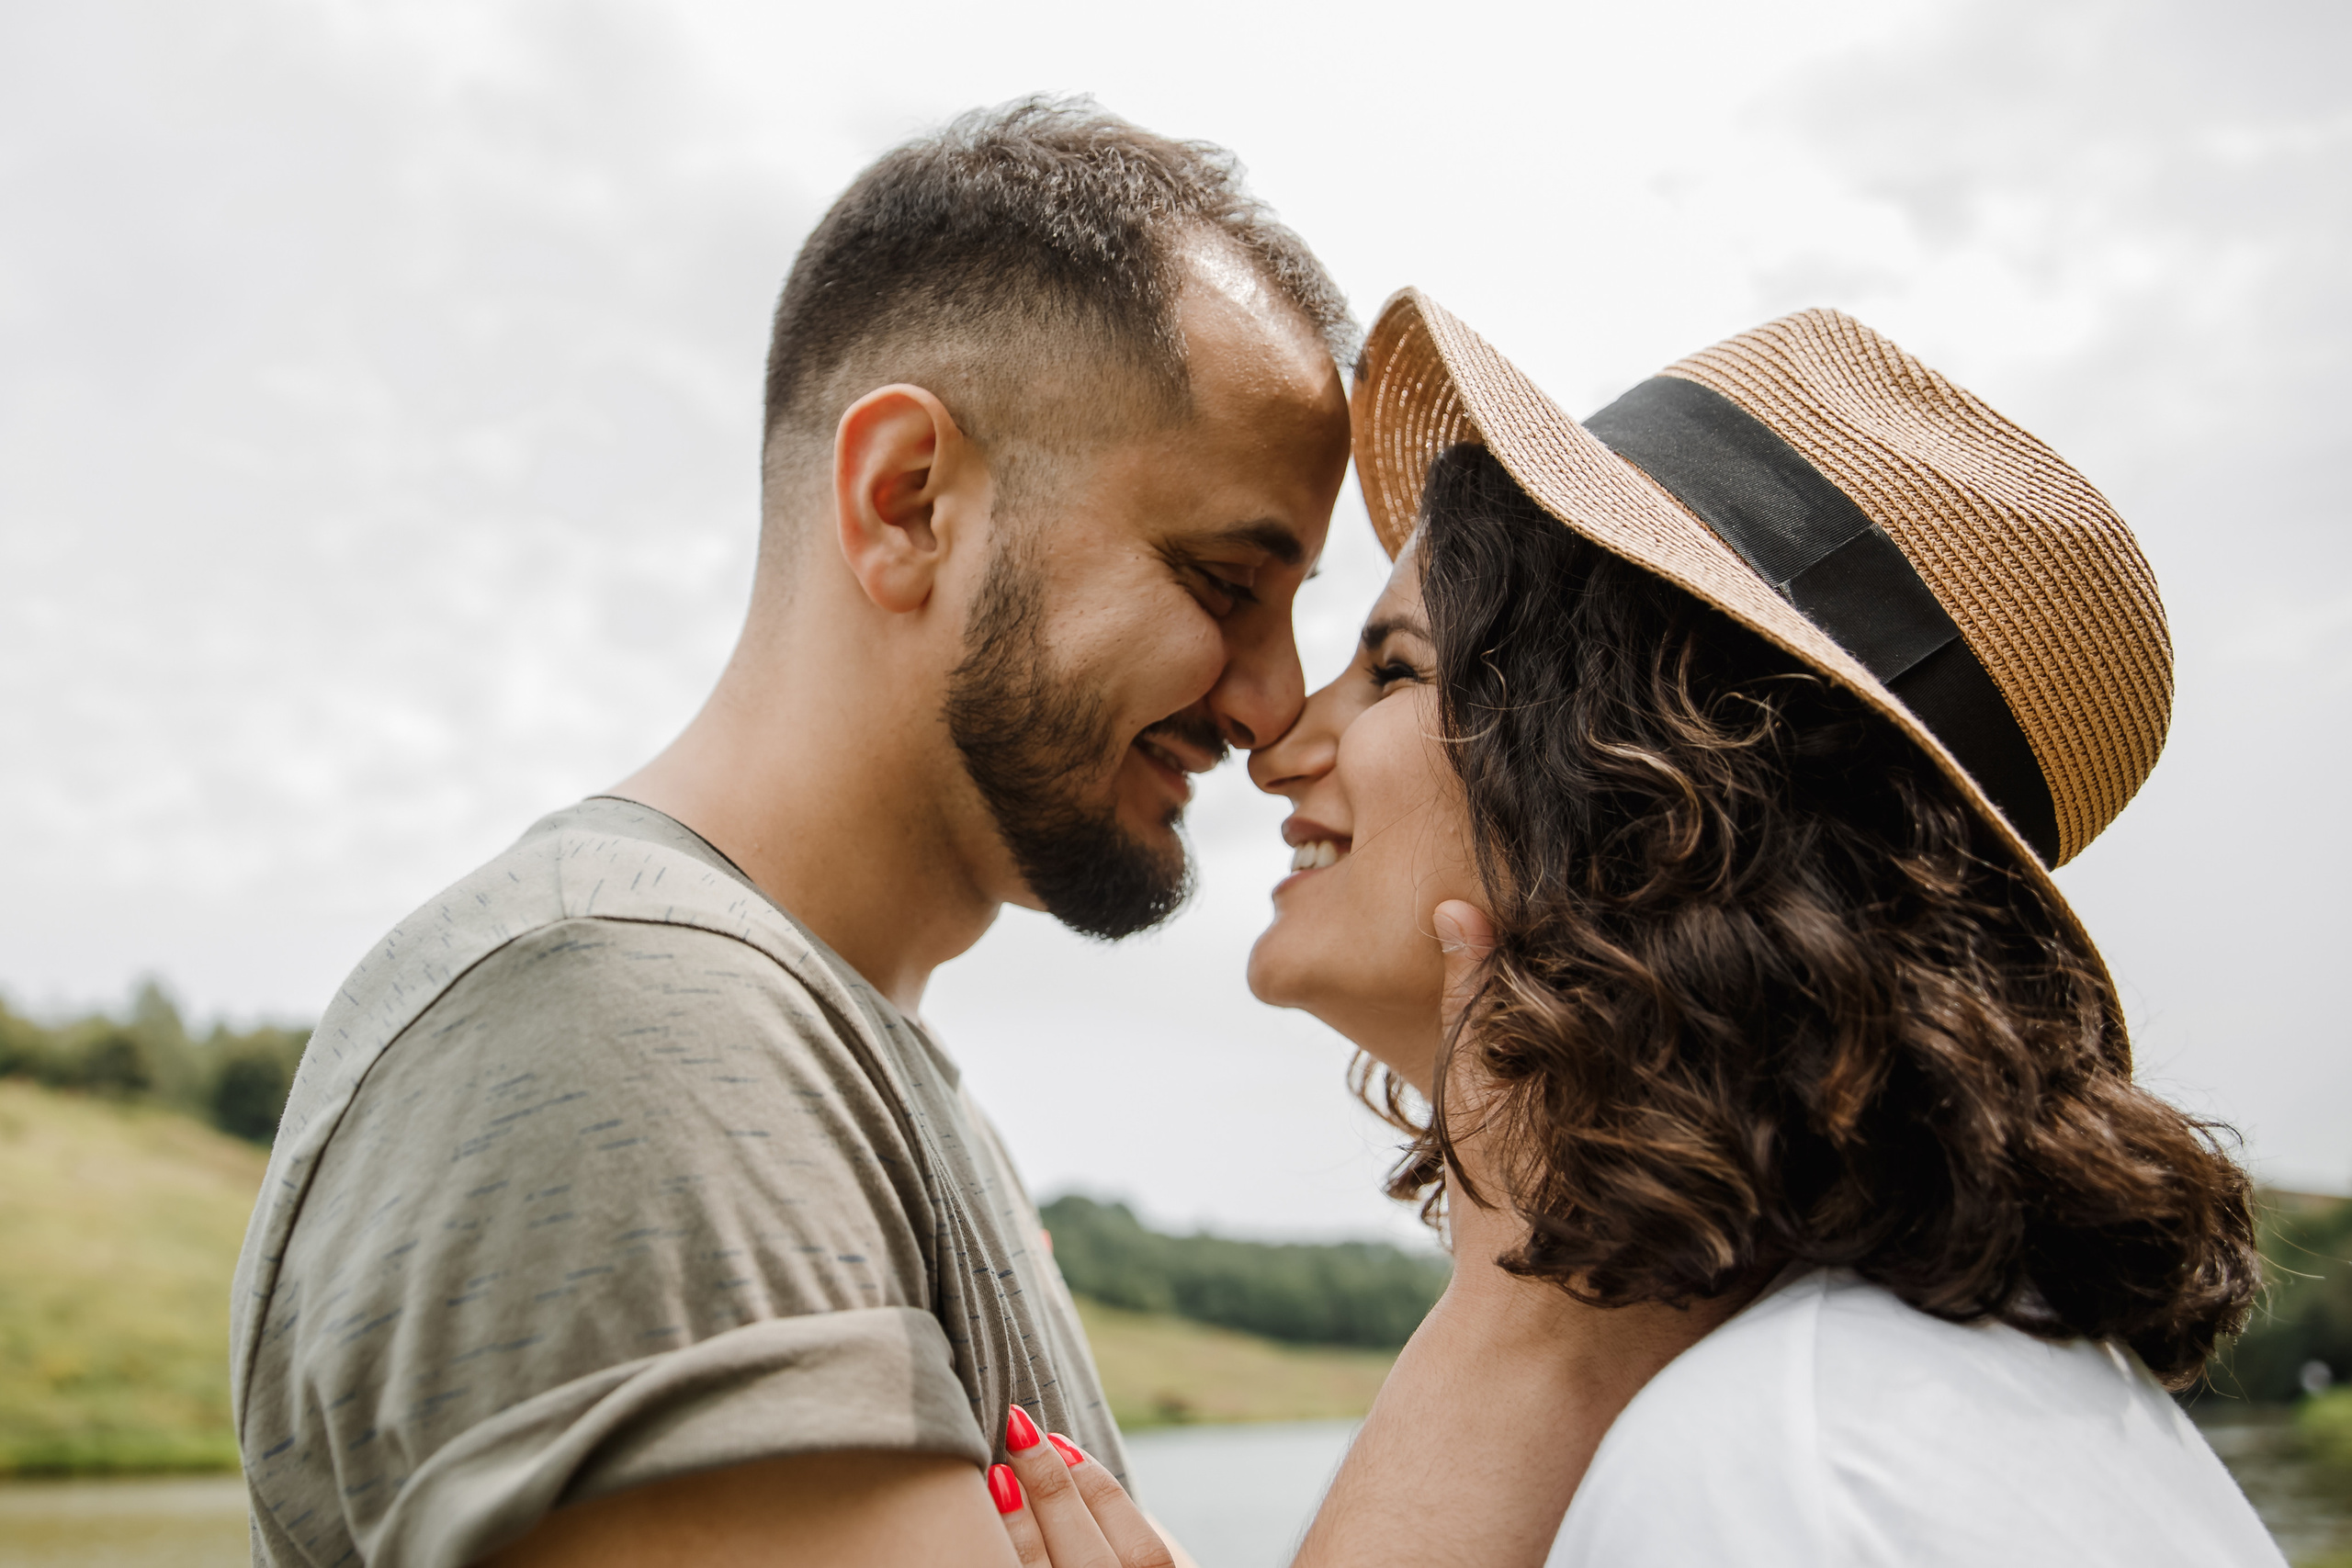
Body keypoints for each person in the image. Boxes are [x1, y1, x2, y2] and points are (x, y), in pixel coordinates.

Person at [227, 98, 1354, 1568]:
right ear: (907, 503)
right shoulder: (633, 1020)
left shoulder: (829, 1054)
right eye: (1221, 582)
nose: (1274, 707)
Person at [985, 294, 2284, 1566]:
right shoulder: (1921, 1397)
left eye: (1392, 669)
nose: (1276, 742)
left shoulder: (1779, 1469)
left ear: (1640, 799)